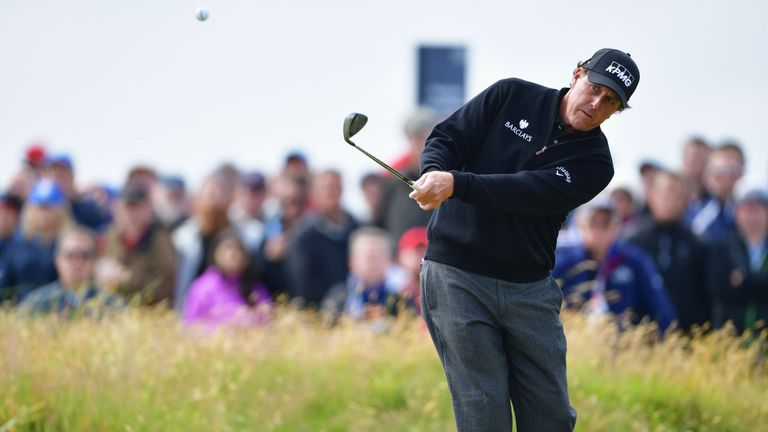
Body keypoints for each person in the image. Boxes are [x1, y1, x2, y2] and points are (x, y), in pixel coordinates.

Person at [408, 48, 641, 431]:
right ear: (577, 75)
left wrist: (456, 184)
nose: (597, 103)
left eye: (611, 101)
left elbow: (525, 192)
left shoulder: (596, 163)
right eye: (596, 88)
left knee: (551, 417)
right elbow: (448, 137)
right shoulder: (510, 95)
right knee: (484, 410)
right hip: (455, 275)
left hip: (528, 290)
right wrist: (435, 172)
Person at [554, 199, 677, 331]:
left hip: (623, 343)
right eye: (593, 223)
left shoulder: (633, 262)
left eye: (606, 224)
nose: (599, 231)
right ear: (581, 226)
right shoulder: (564, 262)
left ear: (616, 228)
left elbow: (662, 313)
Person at [625, 171, 710, 332]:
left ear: (686, 200)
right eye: (664, 194)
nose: (669, 201)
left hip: (687, 336)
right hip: (638, 335)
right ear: (651, 196)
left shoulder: (698, 244)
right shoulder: (632, 240)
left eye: (676, 196)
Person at [286, 169, 359, 307]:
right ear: (314, 194)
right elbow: (301, 284)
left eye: (334, 187)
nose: (330, 193)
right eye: (325, 188)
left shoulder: (357, 228)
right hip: (319, 315)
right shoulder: (303, 235)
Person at [99, 185, 176, 306]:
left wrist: (123, 280)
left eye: (137, 208)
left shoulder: (161, 240)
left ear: (148, 209)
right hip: (115, 307)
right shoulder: (113, 237)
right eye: (127, 208)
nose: (132, 214)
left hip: (151, 312)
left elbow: (165, 283)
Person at [20, 225, 122, 316]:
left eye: (85, 256)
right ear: (58, 260)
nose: (77, 263)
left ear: (94, 261)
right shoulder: (36, 303)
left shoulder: (111, 305)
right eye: (70, 255)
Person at [182, 228, 272, 330]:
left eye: (237, 250)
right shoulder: (203, 287)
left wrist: (250, 317)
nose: (232, 255)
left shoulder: (254, 286)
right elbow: (190, 325)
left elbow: (268, 319)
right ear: (216, 254)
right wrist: (225, 325)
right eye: (227, 249)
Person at [0, 179, 71, 303]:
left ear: (61, 210)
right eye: (40, 207)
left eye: (49, 207)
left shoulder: (70, 243)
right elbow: (6, 283)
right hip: (21, 311)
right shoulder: (17, 244)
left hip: (58, 310)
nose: (45, 213)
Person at [707, 190, 768, 333]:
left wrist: (744, 280)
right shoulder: (723, 246)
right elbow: (718, 289)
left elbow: (737, 287)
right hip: (732, 336)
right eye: (745, 209)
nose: (751, 215)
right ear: (736, 213)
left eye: (756, 208)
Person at [374, 108, 440, 241]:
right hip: (400, 259)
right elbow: (380, 224)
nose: (421, 145)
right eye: (415, 138)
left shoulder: (447, 181)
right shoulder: (392, 182)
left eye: (426, 138)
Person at [322, 227, 402, 323]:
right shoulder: (338, 298)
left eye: (378, 255)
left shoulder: (402, 299)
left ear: (390, 260)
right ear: (351, 262)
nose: (372, 262)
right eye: (367, 256)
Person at [685, 143, 745, 241]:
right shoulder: (692, 215)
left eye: (733, 170)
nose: (727, 178)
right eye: (720, 171)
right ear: (706, 175)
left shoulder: (759, 211)